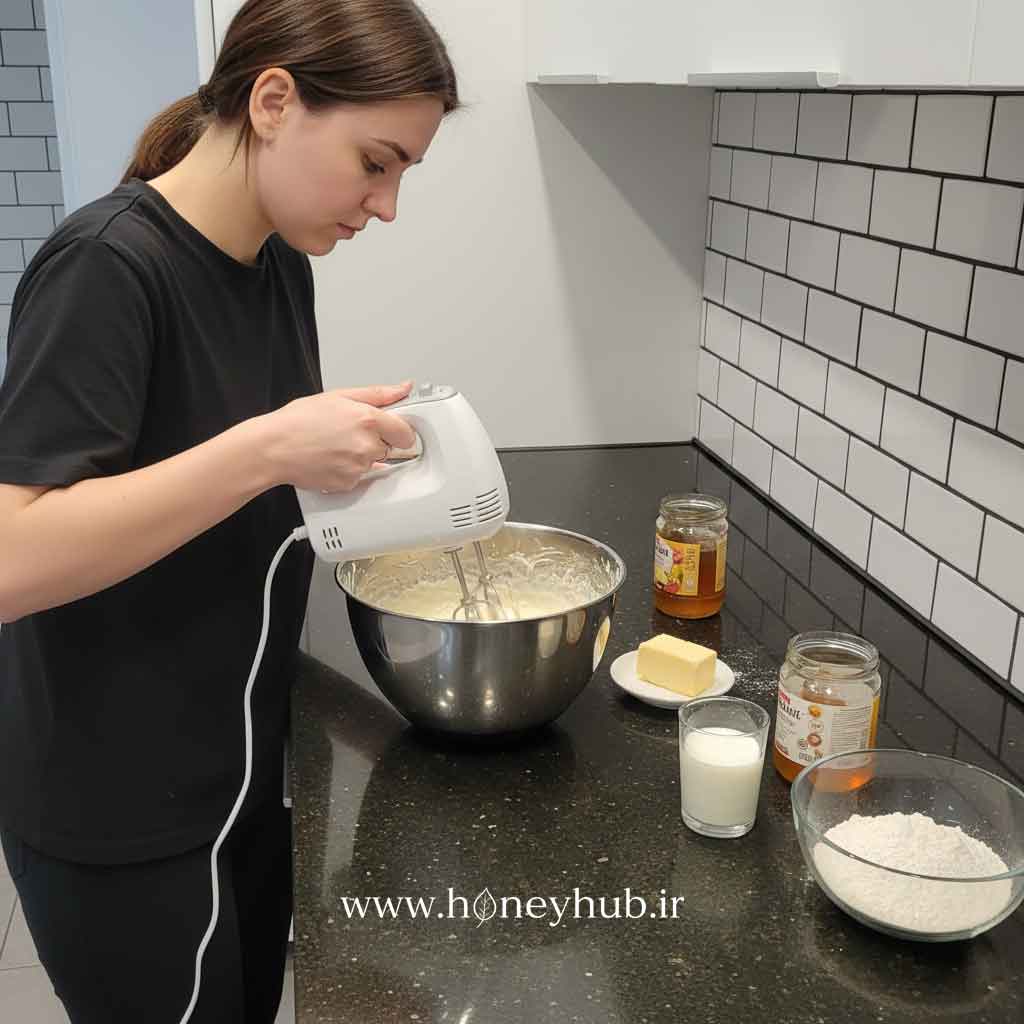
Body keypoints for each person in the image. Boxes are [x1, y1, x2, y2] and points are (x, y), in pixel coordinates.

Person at [0, 1, 458, 1020]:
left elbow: (225, 497)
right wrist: (267, 448)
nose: (384, 206)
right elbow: (12, 556)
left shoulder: (277, 264)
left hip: (237, 769)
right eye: (375, 162)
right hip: (121, 809)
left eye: (401, 175)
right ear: (273, 101)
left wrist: (346, 469)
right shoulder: (108, 268)